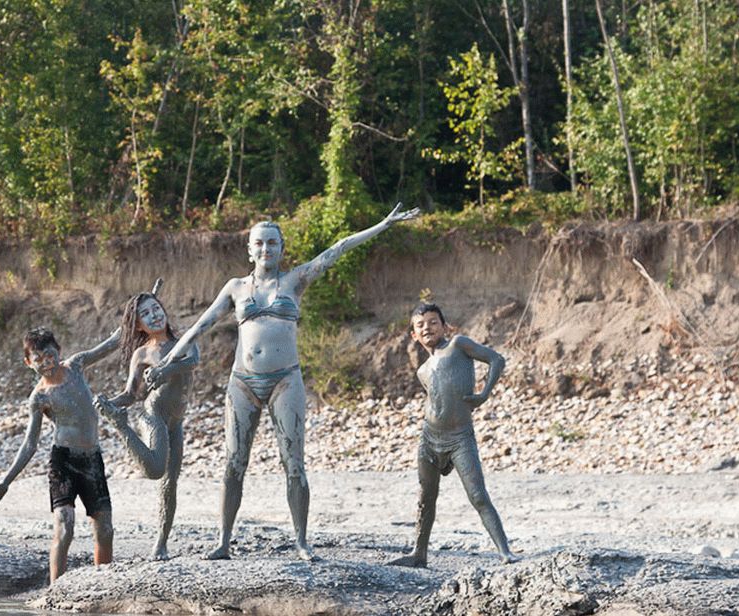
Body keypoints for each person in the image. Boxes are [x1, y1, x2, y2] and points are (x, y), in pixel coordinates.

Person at [145, 203, 419, 561]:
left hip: (285, 381)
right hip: (242, 382)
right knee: (233, 463)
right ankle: (223, 541)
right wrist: (166, 361)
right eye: (259, 243)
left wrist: (382, 224)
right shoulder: (236, 288)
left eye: (272, 243)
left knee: (294, 464)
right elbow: (200, 326)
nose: (265, 250)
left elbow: (337, 249)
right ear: (249, 249)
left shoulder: (295, 280)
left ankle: (302, 542)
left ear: (281, 248)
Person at [0, 325, 120, 583]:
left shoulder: (77, 365)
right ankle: (56, 591)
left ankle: (103, 584)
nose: (47, 364)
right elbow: (29, 445)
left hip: (92, 459)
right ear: (28, 362)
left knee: (105, 530)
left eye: (50, 356)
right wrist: (6, 481)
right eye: (38, 360)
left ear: (58, 351)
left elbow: (111, 343)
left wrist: (133, 314)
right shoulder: (39, 397)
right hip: (63, 463)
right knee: (65, 525)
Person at [388, 303, 516, 567]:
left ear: (445, 326)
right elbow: (435, 401)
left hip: (460, 438)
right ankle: (419, 554)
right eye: (420, 325)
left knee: (478, 495)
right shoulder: (421, 370)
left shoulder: (458, 345)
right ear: (413, 335)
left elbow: (496, 359)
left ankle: (505, 552)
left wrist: (484, 394)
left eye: (433, 322)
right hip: (429, 439)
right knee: (426, 497)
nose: (427, 328)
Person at [94, 283, 199, 560]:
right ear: (139, 325)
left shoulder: (184, 341)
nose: (154, 315)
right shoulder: (142, 354)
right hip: (152, 415)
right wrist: (107, 405)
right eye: (146, 314)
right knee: (154, 471)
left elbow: (193, 360)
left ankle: (161, 544)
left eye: (156, 309)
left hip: (177, 422)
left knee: (169, 484)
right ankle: (121, 425)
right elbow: (131, 394)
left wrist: (166, 370)